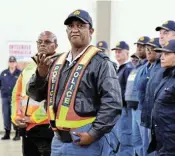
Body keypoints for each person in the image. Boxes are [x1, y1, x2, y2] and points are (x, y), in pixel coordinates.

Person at [26, 9, 122, 156]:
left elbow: (113, 103)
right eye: (71, 26)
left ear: (91, 30)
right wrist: (41, 75)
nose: (75, 30)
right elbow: (36, 95)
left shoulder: (101, 63)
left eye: (80, 26)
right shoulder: (57, 62)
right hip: (58, 140)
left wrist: (94, 133)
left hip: (85, 139)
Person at [11, 31, 56, 156]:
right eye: (40, 42)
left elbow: (56, 98)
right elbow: (17, 95)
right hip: (27, 127)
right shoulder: (28, 68)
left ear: (55, 45)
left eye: (47, 42)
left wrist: (33, 118)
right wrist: (16, 117)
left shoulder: (60, 67)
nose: (42, 45)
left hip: (48, 128)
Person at [150, 40, 175, 155]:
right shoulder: (167, 76)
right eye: (161, 54)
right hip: (163, 141)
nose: (162, 57)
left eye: (167, 54)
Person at [125, 36, 150, 156]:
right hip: (133, 109)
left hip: (142, 109)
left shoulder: (149, 66)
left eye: (142, 46)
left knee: (146, 143)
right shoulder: (137, 67)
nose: (139, 49)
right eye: (138, 46)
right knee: (136, 141)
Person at [136, 38, 161, 156]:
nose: (149, 51)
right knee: (140, 143)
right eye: (148, 49)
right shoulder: (144, 68)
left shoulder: (159, 68)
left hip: (152, 112)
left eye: (153, 49)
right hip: (141, 109)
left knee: (149, 146)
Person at [112, 41, 134, 156]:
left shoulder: (128, 69)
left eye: (120, 51)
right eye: (116, 51)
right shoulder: (120, 69)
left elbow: (129, 91)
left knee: (125, 139)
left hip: (125, 110)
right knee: (118, 139)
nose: (117, 53)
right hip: (118, 110)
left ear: (127, 53)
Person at [0, 56, 21, 140]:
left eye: (13, 62)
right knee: (6, 115)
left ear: (16, 63)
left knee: (15, 115)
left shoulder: (19, 73)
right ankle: (7, 133)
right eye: (10, 62)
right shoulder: (3, 73)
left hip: (15, 99)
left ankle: (17, 133)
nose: (12, 63)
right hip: (5, 98)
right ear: (8, 63)